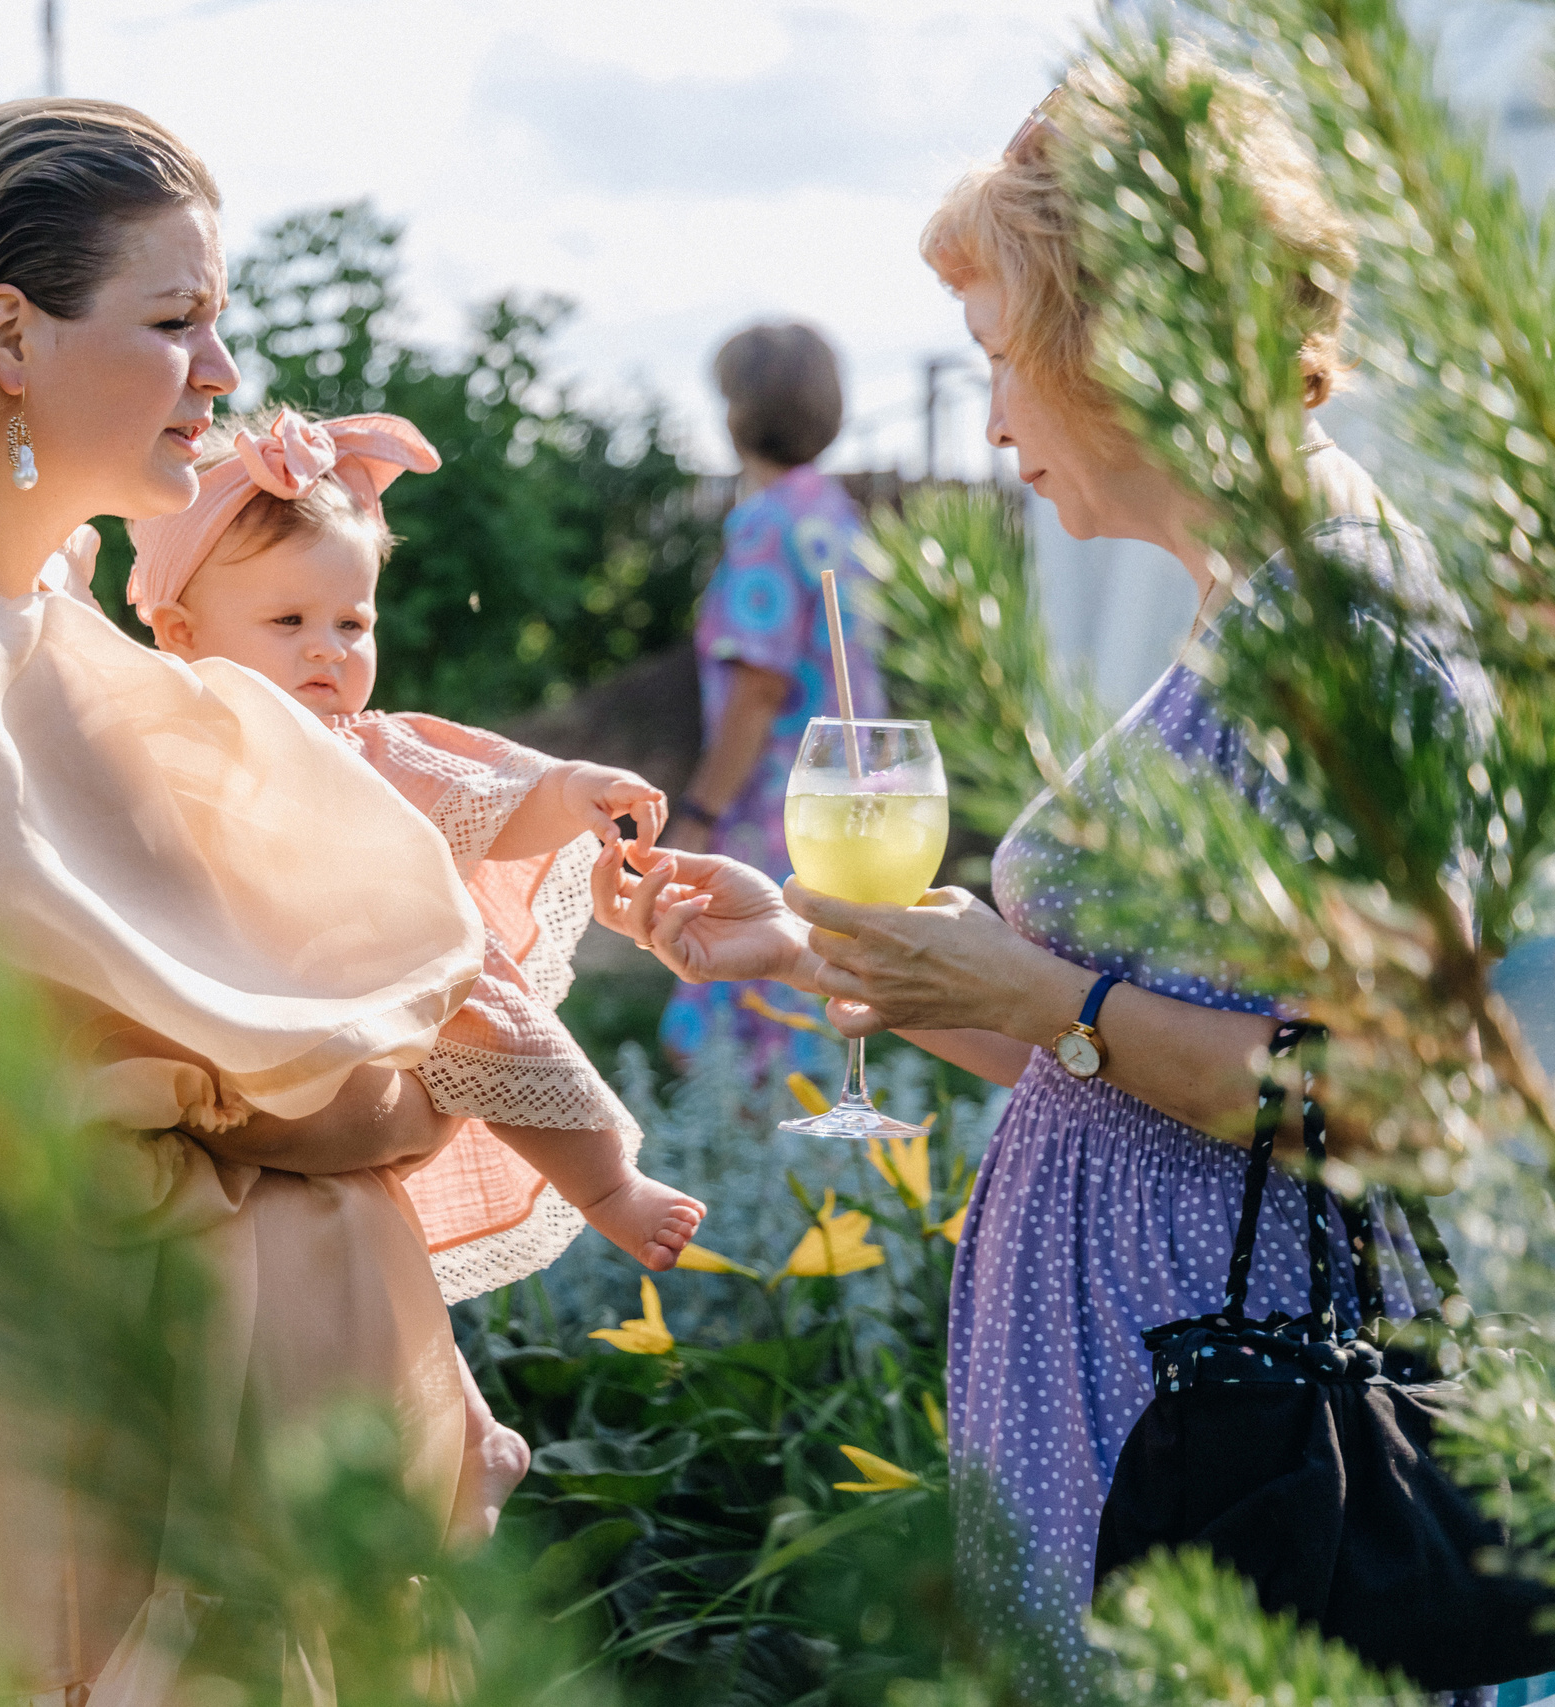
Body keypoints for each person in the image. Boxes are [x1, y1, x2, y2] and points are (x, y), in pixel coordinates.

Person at [602, 58, 1480, 1693]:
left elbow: (1405, 1105)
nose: (993, 414)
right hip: (1140, 1431)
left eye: (1008, 356)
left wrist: (1058, 998)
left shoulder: (1353, 636)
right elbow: (1085, 1056)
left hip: (1237, 1468)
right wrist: (799, 944)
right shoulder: (1260, 607)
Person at [0, 97, 501, 1703]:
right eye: (174, 322)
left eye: (216, 320)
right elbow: (253, 1078)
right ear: (11, 333)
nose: (221, 373)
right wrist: (377, 1105)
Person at [127, 404, 704, 1280]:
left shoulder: (366, 750)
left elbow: (488, 800)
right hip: (232, 1014)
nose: (328, 651)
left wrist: (571, 791)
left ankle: (607, 1188)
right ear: (181, 634)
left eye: (351, 624)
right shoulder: (160, 750)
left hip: (379, 992)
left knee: (488, 1015)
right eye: (288, 623)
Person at [658, 322, 887, 1077]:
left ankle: (741, 1173)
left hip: (775, 805)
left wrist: (697, 812)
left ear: (736, 414)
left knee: (741, 1004)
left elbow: (758, 689)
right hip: (848, 804)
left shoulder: (763, 522)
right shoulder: (837, 514)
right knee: (819, 1008)